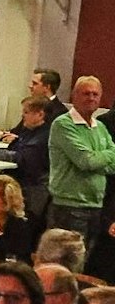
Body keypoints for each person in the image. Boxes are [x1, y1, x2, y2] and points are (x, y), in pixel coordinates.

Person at [49, 75, 115, 264]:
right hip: (69, 206)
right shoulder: (63, 124)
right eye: (86, 93)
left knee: (84, 264)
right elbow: (86, 161)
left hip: (96, 206)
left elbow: (111, 166)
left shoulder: (100, 127)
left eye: (95, 94)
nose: (91, 98)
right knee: (65, 264)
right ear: (74, 95)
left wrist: (99, 158)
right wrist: (106, 155)